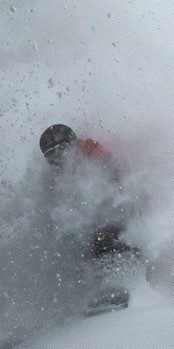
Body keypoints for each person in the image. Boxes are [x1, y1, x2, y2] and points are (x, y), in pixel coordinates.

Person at [38, 124, 138, 315]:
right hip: (102, 220)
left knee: (105, 239)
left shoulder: (93, 156)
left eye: (60, 150)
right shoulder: (62, 174)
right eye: (51, 156)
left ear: (72, 144)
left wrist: (123, 207)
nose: (57, 158)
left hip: (124, 212)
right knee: (81, 249)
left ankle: (121, 285)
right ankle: (99, 289)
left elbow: (121, 180)